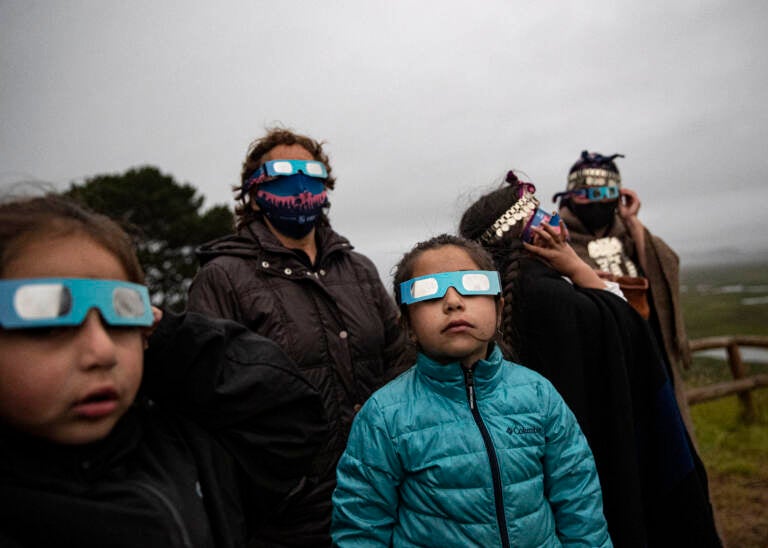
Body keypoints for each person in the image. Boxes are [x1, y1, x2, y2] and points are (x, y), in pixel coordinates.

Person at [0, 194, 327, 547]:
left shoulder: (187, 452)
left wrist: (172, 339)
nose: (102, 352)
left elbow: (290, 423)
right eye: (48, 324)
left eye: (121, 318)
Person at [459, 172, 722, 547]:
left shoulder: (485, 308)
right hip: (602, 487)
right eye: (543, 216)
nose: (556, 221)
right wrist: (581, 272)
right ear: (535, 233)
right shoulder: (566, 302)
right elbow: (634, 333)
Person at [187, 127, 406, 546]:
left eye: (312, 172)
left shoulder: (358, 270)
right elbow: (208, 395)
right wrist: (285, 478)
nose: (301, 182)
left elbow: (399, 355)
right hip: (285, 511)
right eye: (283, 173)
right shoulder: (223, 276)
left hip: (378, 487)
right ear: (254, 191)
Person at [331, 234, 611, 547]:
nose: (453, 301)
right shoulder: (383, 418)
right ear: (408, 326)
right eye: (428, 292)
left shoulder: (538, 395)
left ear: (499, 307)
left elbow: (581, 506)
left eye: (473, 285)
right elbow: (360, 531)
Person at [553, 150, 694, 434]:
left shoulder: (626, 233)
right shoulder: (557, 239)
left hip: (650, 353)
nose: (598, 202)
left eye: (606, 192)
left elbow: (663, 268)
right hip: (604, 363)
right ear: (569, 195)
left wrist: (633, 222)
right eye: (587, 194)